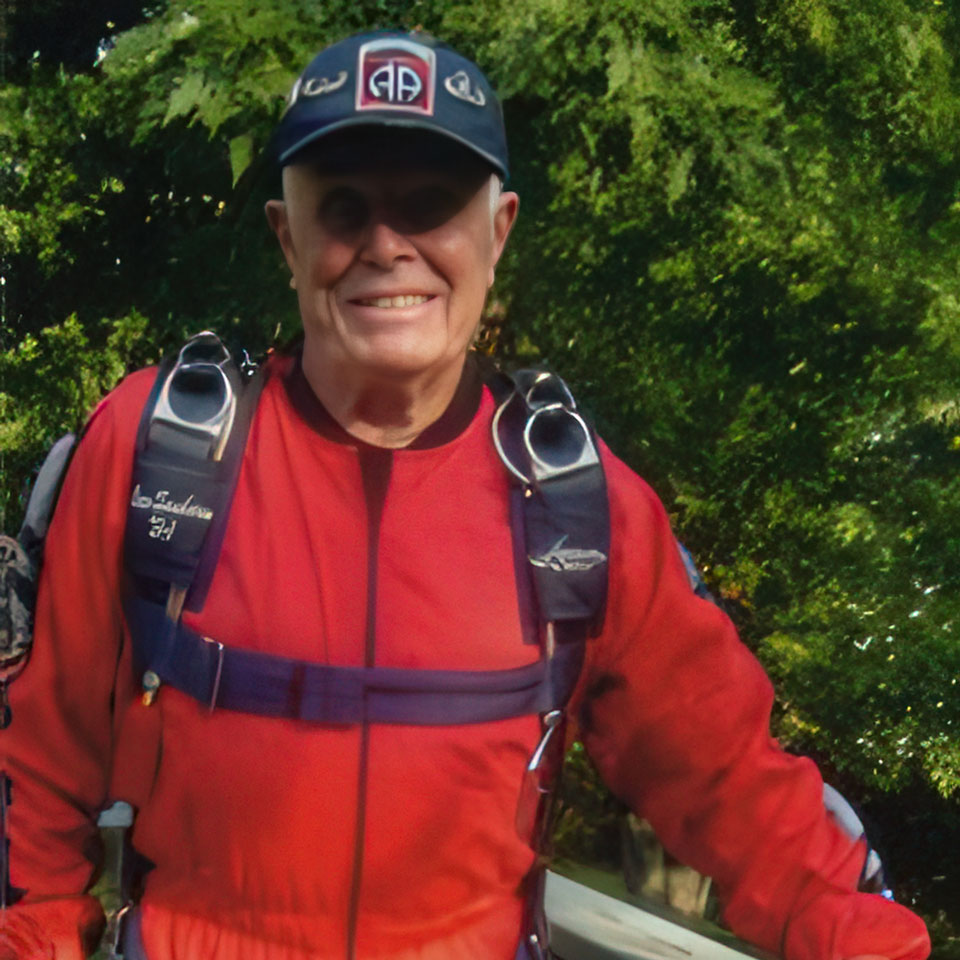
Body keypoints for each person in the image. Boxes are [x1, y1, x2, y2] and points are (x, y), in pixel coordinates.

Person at [0, 29, 932, 960]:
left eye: (430, 206)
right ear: (287, 238)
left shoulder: (578, 506)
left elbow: (737, 787)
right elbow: (32, 771)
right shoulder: (156, 451)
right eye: (344, 208)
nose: (385, 245)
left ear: (500, 231)